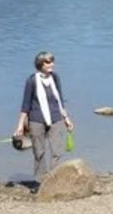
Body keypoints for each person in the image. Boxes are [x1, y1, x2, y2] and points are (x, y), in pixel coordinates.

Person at [14, 50, 73, 182]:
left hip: (56, 118)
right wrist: (20, 125)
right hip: (36, 120)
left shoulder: (55, 78)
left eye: (52, 61)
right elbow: (25, 104)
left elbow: (60, 100)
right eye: (48, 62)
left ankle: (54, 180)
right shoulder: (32, 81)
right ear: (40, 64)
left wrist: (66, 118)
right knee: (39, 152)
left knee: (57, 151)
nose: (52, 64)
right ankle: (42, 181)